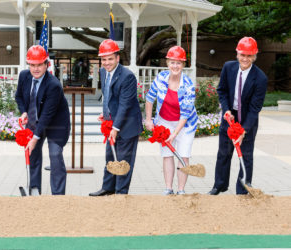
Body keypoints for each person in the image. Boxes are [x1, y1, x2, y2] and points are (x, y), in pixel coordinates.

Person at [208, 37, 268, 195]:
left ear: (254, 56)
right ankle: (219, 185)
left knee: (246, 156)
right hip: (230, 116)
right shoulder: (229, 67)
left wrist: (244, 130)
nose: (245, 59)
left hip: (248, 118)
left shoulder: (260, 78)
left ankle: (242, 189)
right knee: (223, 153)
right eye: (242, 55)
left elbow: (255, 108)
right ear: (237, 53)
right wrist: (226, 109)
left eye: (249, 56)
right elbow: (222, 91)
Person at [89, 39, 143, 196]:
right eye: (104, 59)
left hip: (127, 126)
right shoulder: (103, 72)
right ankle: (108, 187)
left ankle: (120, 193)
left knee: (123, 161)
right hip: (114, 122)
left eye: (110, 59)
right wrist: (106, 114)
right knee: (110, 157)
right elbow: (108, 96)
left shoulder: (127, 77)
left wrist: (115, 127)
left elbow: (125, 104)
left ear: (117, 58)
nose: (106, 63)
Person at [15, 45, 70, 195]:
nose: (36, 69)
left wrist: (34, 138)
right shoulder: (24, 76)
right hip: (34, 120)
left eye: (39, 64)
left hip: (56, 123)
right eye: (32, 65)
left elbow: (46, 116)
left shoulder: (53, 85)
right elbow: (19, 96)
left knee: (55, 155)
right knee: (33, 154)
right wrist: (24, 111)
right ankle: (34, 192)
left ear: (47, 64)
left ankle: (58, 196)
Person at [145, 46, 198, 195]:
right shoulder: (161, 78)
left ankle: (181, 190)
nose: (175, 66)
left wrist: (174, 134)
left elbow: (185, 114)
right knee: (167, 154)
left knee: (183, 154)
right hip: (164, 121)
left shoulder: (188, 85)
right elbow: (149, 99)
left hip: (185, 125)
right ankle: (168, 188)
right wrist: (149, 120)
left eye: (179, 63)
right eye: (172, 62)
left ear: (183, 65)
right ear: (167, 63)